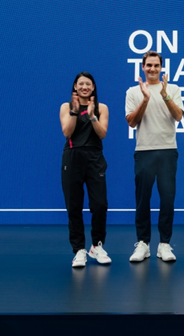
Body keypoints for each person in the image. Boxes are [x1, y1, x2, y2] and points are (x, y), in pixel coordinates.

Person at [125, 51, 184, 263]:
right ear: (143, 67)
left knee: (167, 199)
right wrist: (145, 99)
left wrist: (164, 95)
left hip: (168, 150)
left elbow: (178, 116)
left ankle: (164, 244)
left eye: (156, 65)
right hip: (144, 151)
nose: (152, 69)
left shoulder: (173, 89)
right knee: (143, 200)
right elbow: (132, 122)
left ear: (161, 68)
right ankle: (143, 243)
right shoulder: (133, 91)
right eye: (149, 65)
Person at [59, 72, 111, 268]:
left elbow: (102, 134)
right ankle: (79, 250)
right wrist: (74, 112)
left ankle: (96, 246)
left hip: (94, 158)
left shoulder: (101, 108)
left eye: (88, 84)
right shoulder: (66, 107)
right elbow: (67, 132)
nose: (84, 87)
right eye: (80, 84)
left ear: (93, 87)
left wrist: (92, 117)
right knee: (74, 206)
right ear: (75, 87)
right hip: (72, 157)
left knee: (100, 205)